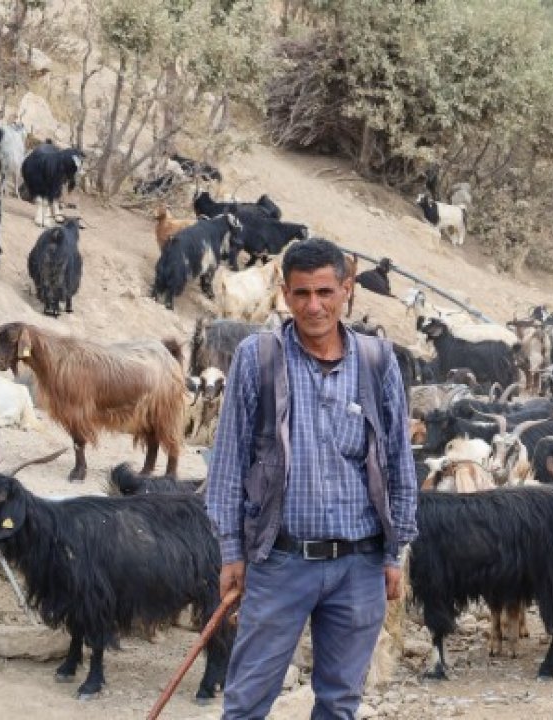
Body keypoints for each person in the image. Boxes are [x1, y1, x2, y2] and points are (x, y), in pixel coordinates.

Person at [206, 238, 418, 719]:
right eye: (301, 293)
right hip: (280, 560)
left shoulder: (377, 361)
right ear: (284, 293)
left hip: (359, 565)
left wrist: (393, 552)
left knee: (340, 701)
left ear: (347, 290)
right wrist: (231, 552)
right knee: (246, 700)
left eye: (325, 291)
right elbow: (228, 460)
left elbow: (399, 463)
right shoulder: (257, 357)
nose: (313, 305)